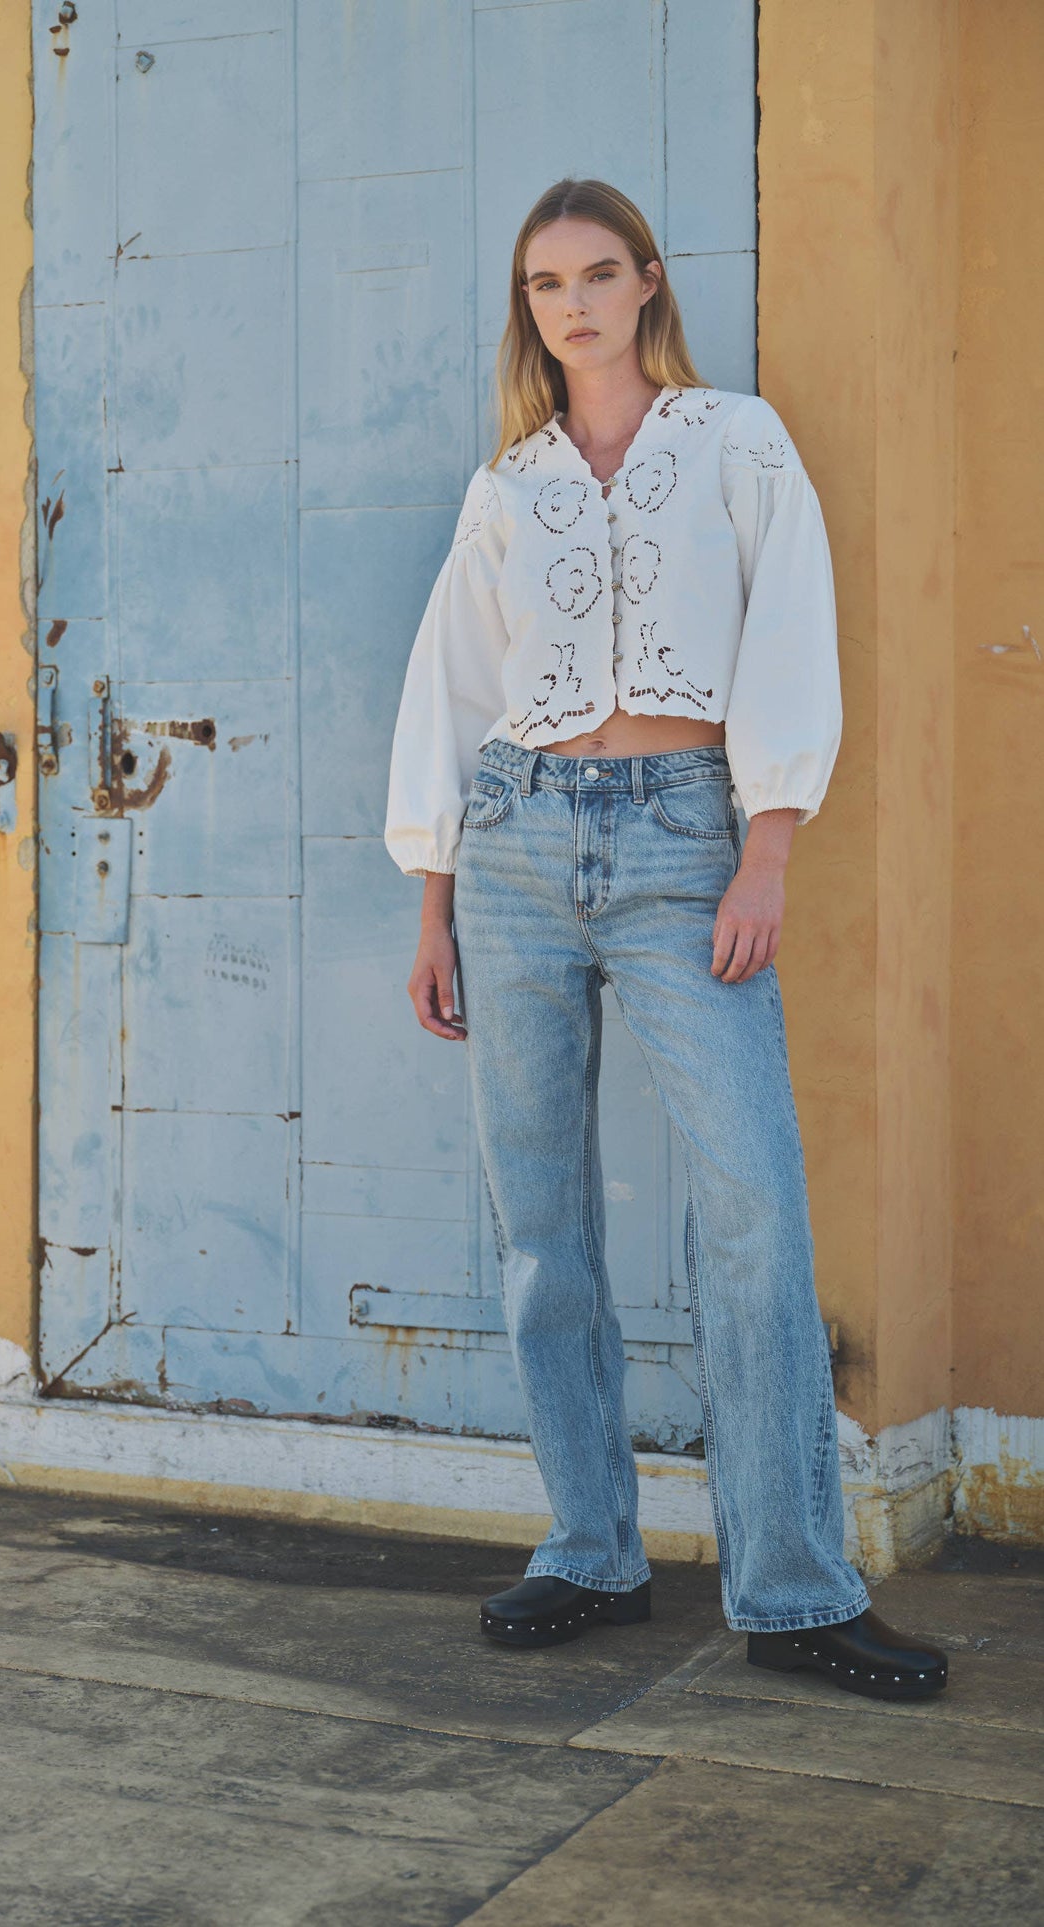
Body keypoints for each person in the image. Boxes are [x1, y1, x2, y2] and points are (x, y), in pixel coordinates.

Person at [383, 177, 947, 1703]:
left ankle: (792, 1589)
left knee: (752, 1205)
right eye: (541, 283)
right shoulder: (509, 483)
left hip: (682, 841)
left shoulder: (733, 442)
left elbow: (791, 637)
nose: (568, 303)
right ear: (531, 307)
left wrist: (764, 848)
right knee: (541, 1226)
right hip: (508, 848)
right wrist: (434, 899)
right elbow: (449, 688)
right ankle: (589, 1549)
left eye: (593, 274)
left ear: (644, 285)